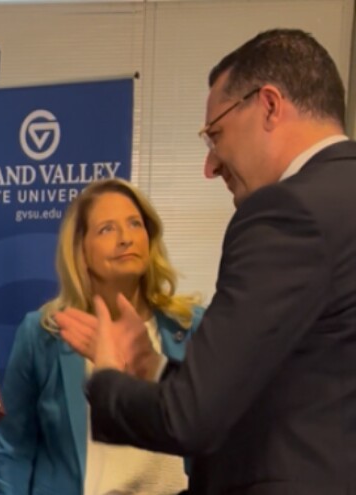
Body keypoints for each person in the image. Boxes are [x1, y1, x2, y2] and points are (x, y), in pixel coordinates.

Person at [57, 28, 356, 494]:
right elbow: (290, 389)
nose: (210, 165)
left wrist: (110, 375)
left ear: (270, 105)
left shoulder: (287, 213)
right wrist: (152, 367)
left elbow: (189, 420)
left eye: (215, 134)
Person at [0, 179, 202, 495]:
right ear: (81, 250)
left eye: (135, 224)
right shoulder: (43, 333)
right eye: (107, 229)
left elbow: (216, 432)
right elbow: (13, 450)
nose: (126, 238)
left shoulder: (192, 325)